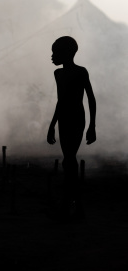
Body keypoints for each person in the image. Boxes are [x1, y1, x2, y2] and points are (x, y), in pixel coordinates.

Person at [47, 36, 96, 221]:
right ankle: (75, 206)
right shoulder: (57, 74)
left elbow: (90, 98)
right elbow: (60, 102)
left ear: (67, 53)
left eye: (55, 52)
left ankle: (68, 205)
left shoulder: (80, 72)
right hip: (64, 119)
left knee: (69, 160)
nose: (52, 56)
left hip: (76, 118)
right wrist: (52, 125)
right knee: (69, 162)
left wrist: (92, 126)